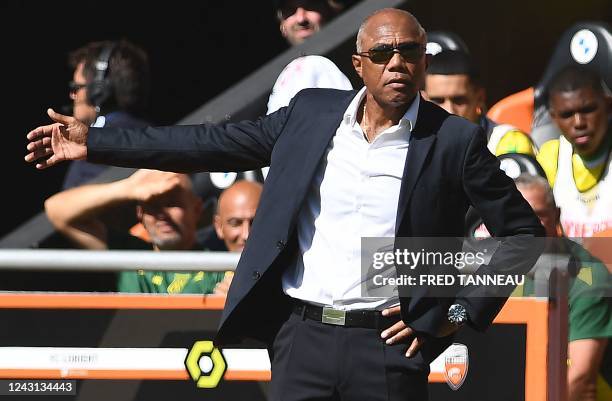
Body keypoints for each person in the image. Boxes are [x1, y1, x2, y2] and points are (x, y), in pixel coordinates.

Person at [27, 8, 544, 400]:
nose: (397, 65)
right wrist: (95, 141)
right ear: (358, 65)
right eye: (383, 55)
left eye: (409, 53)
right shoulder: (311, 115)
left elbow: (522, 233)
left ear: (424, 61)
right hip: (301, 337)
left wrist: (454, 309)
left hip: (387, 348)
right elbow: (206, 144)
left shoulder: (454, 140)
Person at [45, 169, 227, 294]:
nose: (162, 214)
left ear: (196, 209)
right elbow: (56, 210)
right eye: (153, 205)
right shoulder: (128, 254)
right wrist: (129, 187)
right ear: (140, 214)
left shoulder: (219, 268)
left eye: (172, 202)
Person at [512, 174, 611, 401]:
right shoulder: (495, 271)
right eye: (516, 215)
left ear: (556, 215)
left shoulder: (589, 279)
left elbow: (580, 381)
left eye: (538, 216)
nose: (527, 226)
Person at [62, 39, 150, 190]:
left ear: (99, 90)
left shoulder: (93, 149)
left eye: (76, 87)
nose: (72, 95)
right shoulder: (154, 137)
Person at [537, 65, 612, 238]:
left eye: (588, 110)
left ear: (608, 106)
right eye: (567, 114)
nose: (579, 122)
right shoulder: (550, 158)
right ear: (554, 117)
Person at [423, 50, 537, 157]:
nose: (449, 110)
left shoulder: (508, 141)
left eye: (459, 100)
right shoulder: (413, 141)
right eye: (437, 101)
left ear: (480, 98)